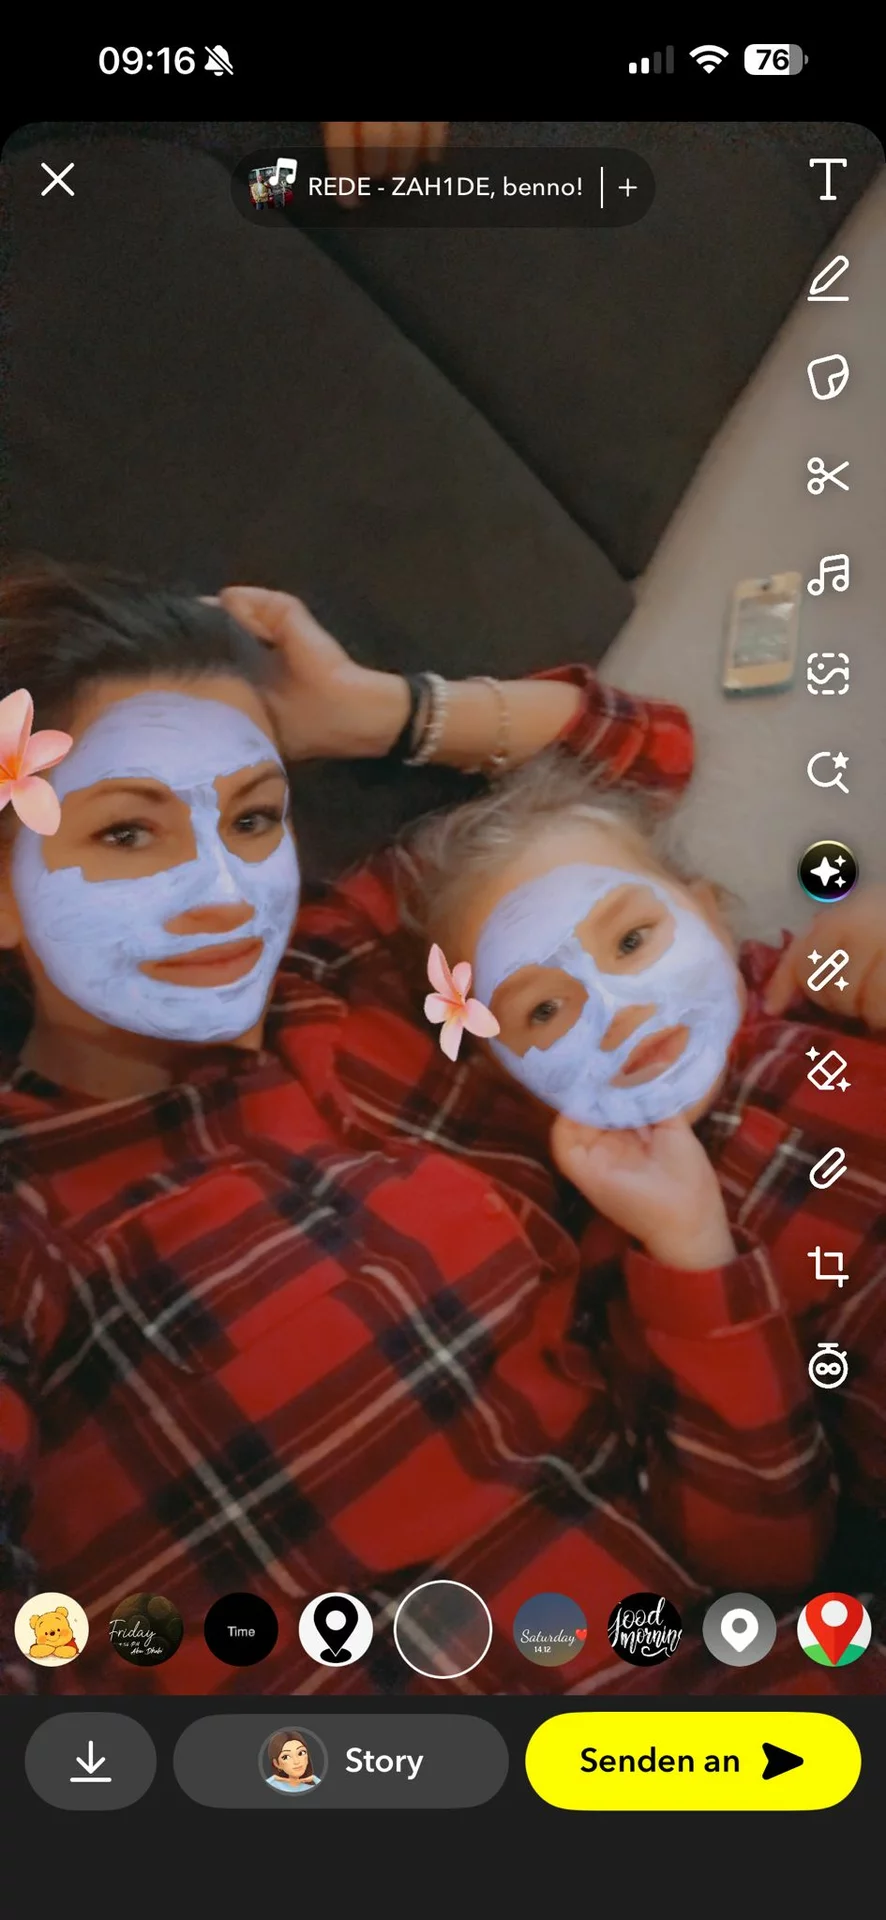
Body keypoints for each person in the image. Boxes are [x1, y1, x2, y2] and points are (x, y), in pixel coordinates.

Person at [0, 561, 868, 1702]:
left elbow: (635, 761)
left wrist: (376, 712)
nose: (222, 892)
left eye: (253, 816)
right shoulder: (31, 1212)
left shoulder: (358, 975)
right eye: (127, 833)